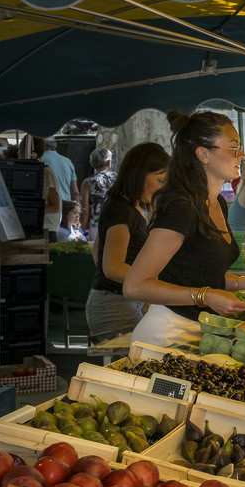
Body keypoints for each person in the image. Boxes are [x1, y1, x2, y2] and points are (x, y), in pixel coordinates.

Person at [124, 112, 245, 348]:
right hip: (166, 335)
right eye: (233, 148)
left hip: (203, 333)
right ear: (203, 154)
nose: (241, 155)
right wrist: (205, 296)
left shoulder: (218, 203)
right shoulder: (182, 208)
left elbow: (202, 274)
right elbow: (135, 285)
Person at [87, 142, 170, 341]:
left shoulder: (132, 206)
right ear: (140, 174)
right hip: (115, 306)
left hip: (118, 301)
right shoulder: (121, 209)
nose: (162, 188)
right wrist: (152, 284)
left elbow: (97, 252)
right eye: (160, 180)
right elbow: (112, 268)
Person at [81, 149, 116, 239]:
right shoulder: (118, 178)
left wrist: (81, 231)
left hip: (96, 226)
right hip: (115, 223)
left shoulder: (88, 182)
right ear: (109, 162)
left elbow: (85, 211)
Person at [40, 137, 79, 204]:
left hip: (47, 206)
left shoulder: (40, 160)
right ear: (55, 146)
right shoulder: (68, 161)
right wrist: (77, 208)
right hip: (66, 205)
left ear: (41, 145)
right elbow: (75, 192)